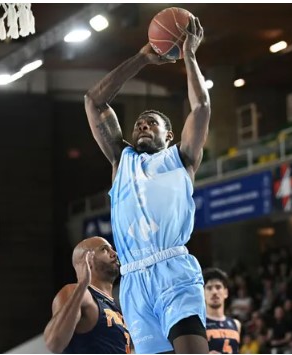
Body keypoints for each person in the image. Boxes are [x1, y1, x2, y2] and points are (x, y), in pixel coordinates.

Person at [84, 15, 210, 354]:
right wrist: (141, 58)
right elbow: (94, 102)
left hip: (173, 271)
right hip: (134, 282)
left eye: (150, 123)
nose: (141, 126)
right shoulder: (120, 160)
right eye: (138, 123)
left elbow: (200, 108)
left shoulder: (181, 159)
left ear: (168, 135)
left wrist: (190, 56)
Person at [43, 237, 131, 353]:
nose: (114, 254)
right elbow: (54, 343)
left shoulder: (116, 307)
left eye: (112, 249)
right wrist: (82, 284)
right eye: (104, 250)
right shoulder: (80, 293)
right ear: (87, 260)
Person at [203, 267, 241, 354]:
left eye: (218, 287)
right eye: (209, 288)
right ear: (203, 293)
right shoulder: (199, 324)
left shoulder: (236, 324)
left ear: (226, 292)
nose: (214, 292)